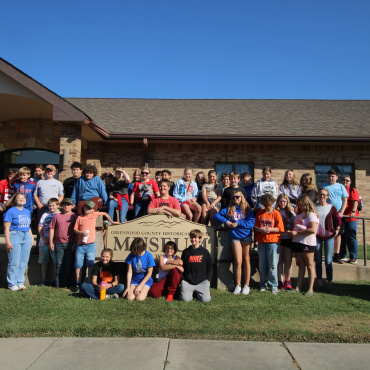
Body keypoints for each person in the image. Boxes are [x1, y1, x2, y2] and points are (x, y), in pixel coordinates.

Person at [213, 191, 255, 295]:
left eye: (237, 197)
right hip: (235, 237)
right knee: (238, 261)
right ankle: (238, 285)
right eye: (233, 197)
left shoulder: (247, 209)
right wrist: (227, 222)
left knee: (246, 260)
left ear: (242, 197)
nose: (235, 199)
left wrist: (238, 222)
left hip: (246, 237)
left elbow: (251, 223)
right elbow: (216, 216)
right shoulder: (229, 209)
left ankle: (247, 285)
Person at [73, 200, 117, 293]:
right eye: (86, 207)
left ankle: (89, 282)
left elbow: (105, 213)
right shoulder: (79, 218)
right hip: (80, 245)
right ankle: (78, 283)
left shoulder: (94, 215)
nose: (87, 209)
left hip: (90, 245)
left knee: (90, 264)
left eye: (89, 208)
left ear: (93, 209)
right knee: (78, 265)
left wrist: (111, 221)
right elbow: (75, 229)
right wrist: (81, 232)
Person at [287, 195, 319, 296]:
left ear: (307, 204)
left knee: (309, 265)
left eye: (302, 205)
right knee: (301, 265)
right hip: (297, 242)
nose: (300, 207)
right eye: (299, 205)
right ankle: (297, 287)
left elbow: (313, 229)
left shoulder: (311, 215)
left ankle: (311, 289)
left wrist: (297, 233)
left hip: (307, 242)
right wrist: (292, 233)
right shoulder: (299, 215)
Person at [254, 194, 284, 294]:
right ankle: (263, 284)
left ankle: (273, 285)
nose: (268, 207)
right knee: (262, 265)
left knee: (272, 265)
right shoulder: (260, 213)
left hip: (273, 242)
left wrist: (270, 229)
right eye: (266, 205)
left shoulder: (276, 213)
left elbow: (280, 228)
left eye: (269, 205)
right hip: (262, 242)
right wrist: (260, 229)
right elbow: (255, 227)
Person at [3, 193, 33, 291]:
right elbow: (6, 228)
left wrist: (31, 238)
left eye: (23, 198)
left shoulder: (27, 211)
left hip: (26, 236)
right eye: (19, 198)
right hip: (15, 236)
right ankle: (12, 283)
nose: (21, 199)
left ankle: (20, 282)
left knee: (24, 261)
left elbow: (28, 227)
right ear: (15, 200)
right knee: (14, 262)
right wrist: (7, 242)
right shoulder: (10, 211)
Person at [315, 188, 341, 292]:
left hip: (329, 236)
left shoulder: (332, 208)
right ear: (318, 195)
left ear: (327, 196)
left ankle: (329, 283)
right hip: (317, 236)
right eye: (321, 194)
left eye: (324, 195)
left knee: (328, 260)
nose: (322, 196)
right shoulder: (314, 206)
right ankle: (319, 283)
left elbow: (337, 219)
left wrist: (338, 229)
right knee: (318, 260)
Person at [49, 198, 78, 288]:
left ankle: (66, 284)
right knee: (59, 264)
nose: (66, 206)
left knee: (68, 264)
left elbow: (77, 231)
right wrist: (51, 242)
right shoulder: (57, 216)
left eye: (68, 205)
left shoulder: (75, 216)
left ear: (72, 206)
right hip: (58, 243)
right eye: (64, 204)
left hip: (70, 243)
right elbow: (52, 229)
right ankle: (58, 284)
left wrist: (75, 244)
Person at [322, 169, 348, 264]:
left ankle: (337, 254)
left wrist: (342, 211)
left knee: (338, 234)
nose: (330, 178)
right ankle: (328, 254)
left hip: (338, 214)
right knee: (328, 233)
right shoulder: (324, 186)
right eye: (329, 176)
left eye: (332, 176)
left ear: (337, 177)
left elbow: (345, 200)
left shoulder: (341, 186)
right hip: (327, 213)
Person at [180, 229, 212, 302]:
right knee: (185, 299)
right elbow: (183, 266)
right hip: (188, 281)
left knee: (206, 300)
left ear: (200, 239)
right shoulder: (186, 252)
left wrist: (208, 280)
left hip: (202, 281)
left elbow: (210, 267)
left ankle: (197, 292)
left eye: (195, 238)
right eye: (191, 237)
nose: (193, 239)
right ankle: (191, 292)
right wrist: (183, 279)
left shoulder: (205, 252)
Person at [37, 198, 60, 287]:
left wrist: (51, 239)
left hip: (55, 241)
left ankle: (54, 280)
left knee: (55, 261)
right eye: (50, 206)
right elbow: (40, 227)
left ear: (58, 205)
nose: (51, 207)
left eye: (53, 205)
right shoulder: (45, 215)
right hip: (44, 241)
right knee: (44, 261)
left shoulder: (59, 215)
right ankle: (43, 280)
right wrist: (44, 238)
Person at [275, 194, 296, 290]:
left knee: (288, 261)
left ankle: (288, 280)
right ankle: (280, 281)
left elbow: (295, 225)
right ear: (278, 202)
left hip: (288, 239)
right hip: (278, 238)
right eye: (280, 201)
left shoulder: (291, 214)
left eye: (284, 201)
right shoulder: (275, 212)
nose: (282, 203)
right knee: (279, 261)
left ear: (287, 202)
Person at [340, 175, 360, 264]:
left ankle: (353, 257)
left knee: (351, 237)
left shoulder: (352, 190)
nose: (345, 181)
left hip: (351, 217)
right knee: (342, 237)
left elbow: (355, 201)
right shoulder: (339, 189)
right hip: (341, 217)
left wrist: (353, 211)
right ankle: (342, 255)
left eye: (347, 180)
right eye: (343, 180)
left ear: (350, 182)